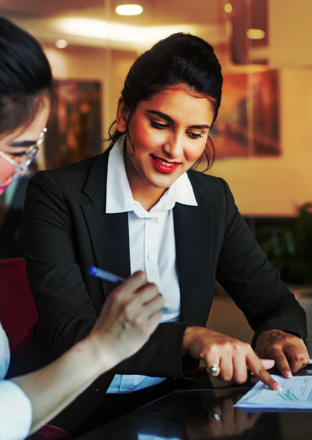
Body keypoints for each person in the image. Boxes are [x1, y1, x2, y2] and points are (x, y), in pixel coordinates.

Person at [24, 32, 310, 427]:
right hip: (72, 409)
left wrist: (278, 334)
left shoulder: (213, 200)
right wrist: (189, 337)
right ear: (124, 113)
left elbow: (274, 301)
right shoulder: (57, 194)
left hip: (178, 403)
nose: (175, 150)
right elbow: (71, 332)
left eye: (196, 133)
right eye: (160, 124)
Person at [0, 16, 163, 440]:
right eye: (19, 149)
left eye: (35, 147)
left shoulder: (212, 199)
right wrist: (104, 346)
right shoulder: (56, 195)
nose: (22, 170)